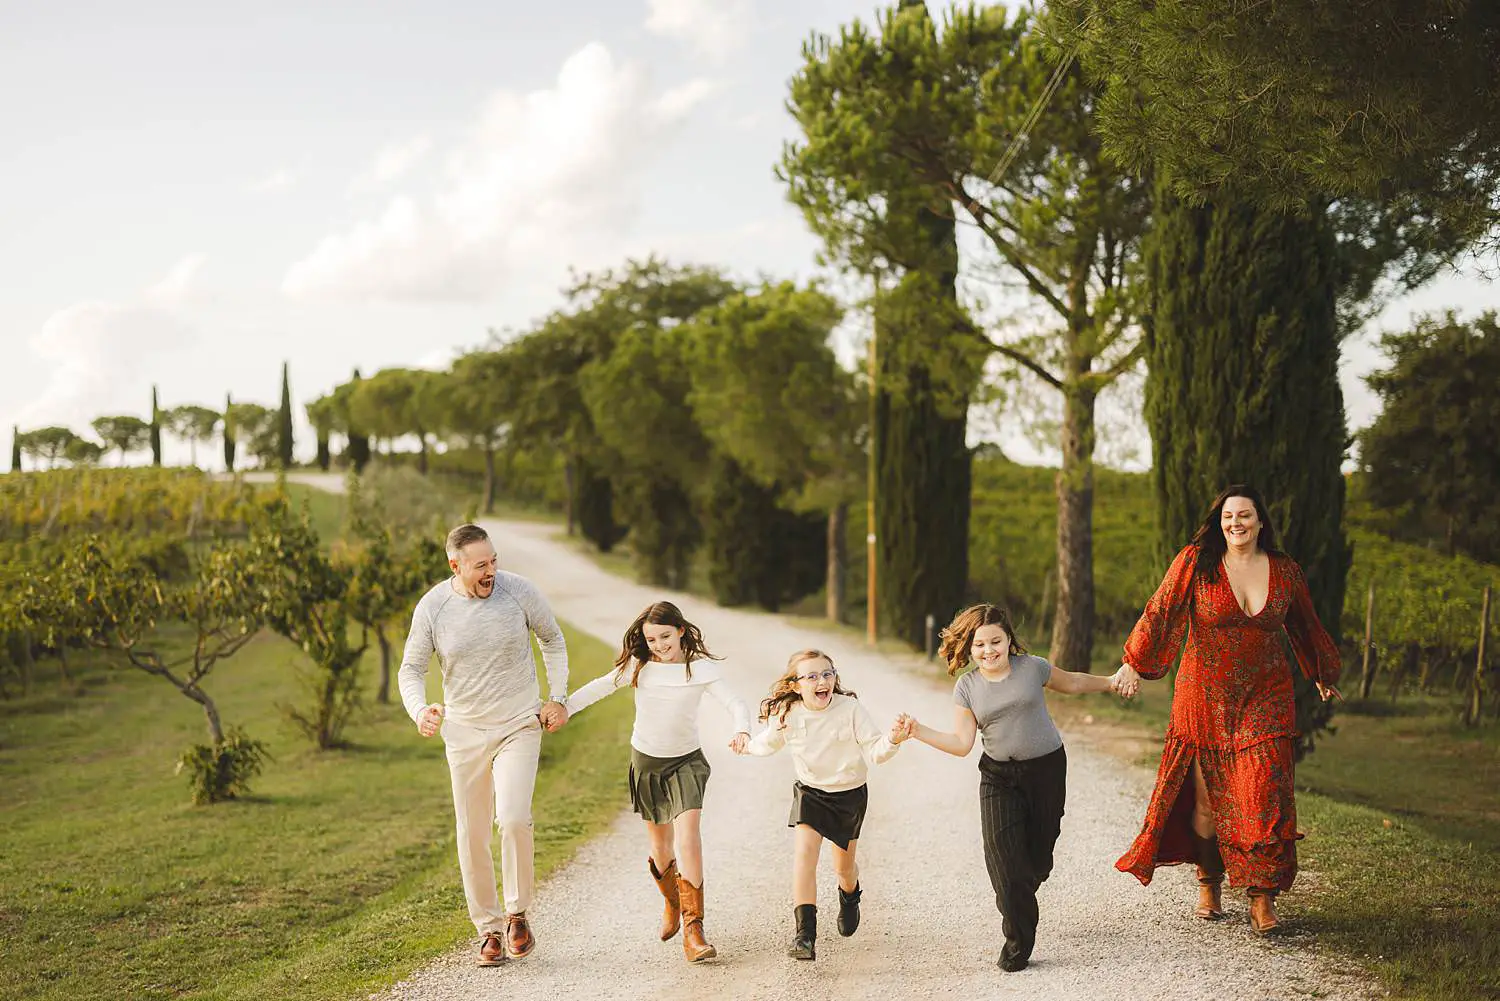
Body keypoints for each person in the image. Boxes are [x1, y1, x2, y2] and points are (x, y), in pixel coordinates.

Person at [1112, 484, 1342, 935]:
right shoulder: (1197, 563)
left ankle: (1261, 899)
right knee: (1206, 801)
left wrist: (1321, 670)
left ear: (1260, 522)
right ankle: (1209, 882)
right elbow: (1160, 611)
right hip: (1205, 697)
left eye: (1245, 516)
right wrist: (1134, 661)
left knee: (1264, 795)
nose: (1236, 524)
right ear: (1220, 523)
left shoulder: (1284, 570)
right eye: (1228, 517)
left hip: (1266, 697)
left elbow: (1305, 623)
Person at [895, 604, 1135, 972]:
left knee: (1037, 861)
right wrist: (917, 731)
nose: (988, 650)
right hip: (999, 778)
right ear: (969, 649)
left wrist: (1110, 681)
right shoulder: (968, 687)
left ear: (1009, 640)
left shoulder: (1031, 668)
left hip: (1047, 770)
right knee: (1006, 868)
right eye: (979, 645)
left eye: (995, 641)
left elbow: (1069, 681)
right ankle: (1018, 942)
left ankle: (1022, 890)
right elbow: (961, 743)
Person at [398, 523, 570, 967]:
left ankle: (517, 915)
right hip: (464, 733)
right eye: (481, 565)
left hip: (518, 723)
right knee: (471, 833)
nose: (491, 570)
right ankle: (488, 929)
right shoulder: (433, 607)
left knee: (513, 818)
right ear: (455, 566)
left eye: (494, 560)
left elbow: (552, 638)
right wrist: (420, 710)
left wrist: (559, 697)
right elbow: (411, 669)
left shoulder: (518, 592)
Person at [563, 600, 752, 963]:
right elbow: (600, 687)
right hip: (647, 762)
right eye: (652, 639)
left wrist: (741, 728)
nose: (660, 645)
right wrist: (564, 708)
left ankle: (694, 931)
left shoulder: (699, 669)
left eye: (665, 636)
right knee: (662, 850)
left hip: (686, 762)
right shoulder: (639, 666)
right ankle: (672, 901)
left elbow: (735, 702)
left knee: (688, 836)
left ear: (681, 630)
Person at [735, 649, 908, 961]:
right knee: (804, 857)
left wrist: (893, 739)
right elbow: (767, 743)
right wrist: (746, 745)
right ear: (796, 685)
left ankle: (850, 895)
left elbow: (875, 751)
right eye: (811, 676)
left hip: (849, 795)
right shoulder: (788, 712)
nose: (822, 681)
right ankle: (805, 935)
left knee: (843, 867)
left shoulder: (850, 708)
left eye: (827, 674)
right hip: (811, 793)